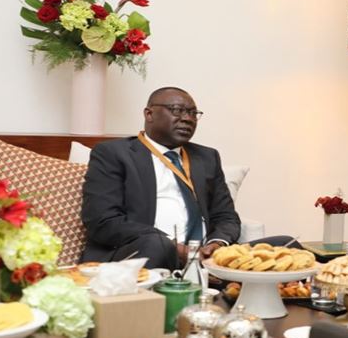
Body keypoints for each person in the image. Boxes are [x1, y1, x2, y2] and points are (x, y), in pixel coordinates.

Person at [81, 86, 293, 270]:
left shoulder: (206, 157)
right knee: (157, 245)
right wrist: (175, 247)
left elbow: (225, 216)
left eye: (193, 113)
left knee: (287, 245)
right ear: (149, 114)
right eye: (177, 110)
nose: (187, 118)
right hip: (147, 252)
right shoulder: (114, 153)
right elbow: (102, 221)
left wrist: (217, 245)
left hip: (205, 257)